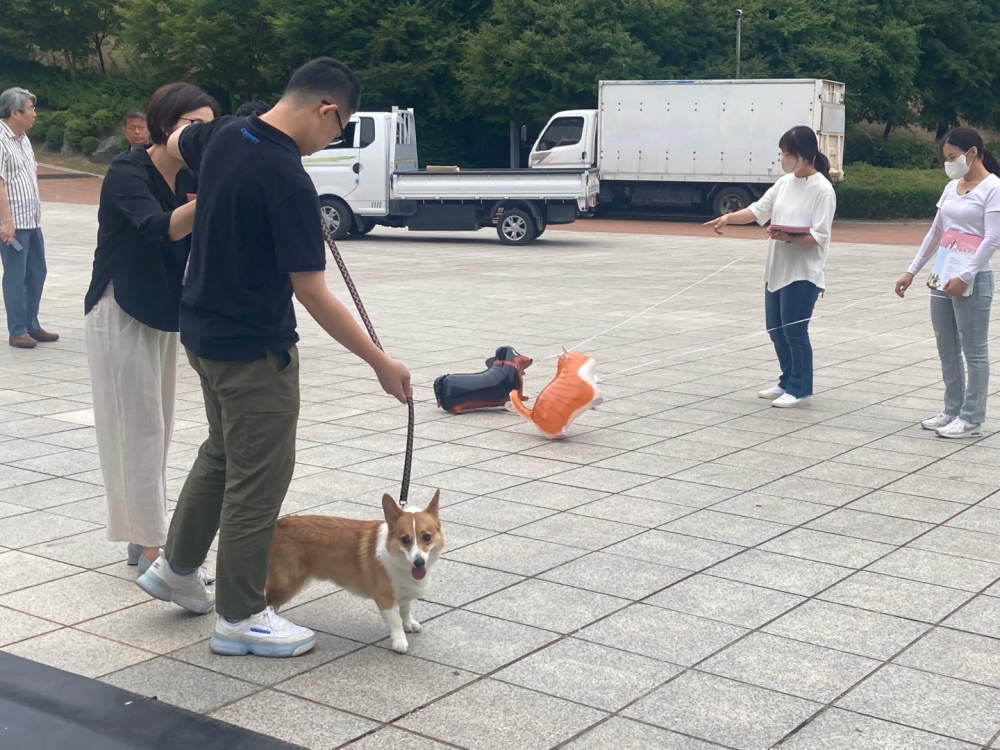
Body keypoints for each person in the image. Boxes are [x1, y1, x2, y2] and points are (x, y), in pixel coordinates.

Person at [135, 57, 411, 658]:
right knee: (257, 484)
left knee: (222, 454)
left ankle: (177, 568)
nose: (327, 144)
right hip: (255, 351)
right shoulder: (287, 178)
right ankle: (240, 617)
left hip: (203, 334)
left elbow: (177, 136)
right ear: (327, 109)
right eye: (337, 132)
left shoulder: (231, 132)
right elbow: (312, 291)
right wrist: (379, 362)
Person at [85, 83, 219, 574]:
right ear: (166, 125)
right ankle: (151, 548)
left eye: (208, 127)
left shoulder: (193, 172)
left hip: (163, 311)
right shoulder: (128, 170)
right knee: (136, 431)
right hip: (118, 309)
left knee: (157, 431)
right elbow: (156, 226)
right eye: (191, 126)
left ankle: (142, 537)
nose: (199, 136)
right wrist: (214, 195)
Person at [705, 125, 836, 408]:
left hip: (803, 273)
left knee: (795, 331)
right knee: (775, 329)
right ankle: (787, 380)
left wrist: (788, 236)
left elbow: (819, 237)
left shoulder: (823, 190)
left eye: (788, 154)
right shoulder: (784, 183)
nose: (783, 159)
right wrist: (728, 218)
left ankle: (801, 387)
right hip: (777, 269)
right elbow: (757, 210)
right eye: (782, 153)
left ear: (805, 155)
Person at [895, 127, 1000, 439]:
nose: (949, 163)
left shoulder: (993, 188)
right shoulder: (952, 187)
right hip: (943, 274)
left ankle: (971, 417)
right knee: (947, 344)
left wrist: (966, 276)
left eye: (953, 157)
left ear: (972, 153)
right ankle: (952, 408)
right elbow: (936, 232)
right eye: (946, 159)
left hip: (973, 278)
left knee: (974, 349)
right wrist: (912, 271)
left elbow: (993, 238)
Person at [0, 87, 57, 349]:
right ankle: (18, 330)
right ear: (15, 112)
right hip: (13, 223)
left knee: (37, 271)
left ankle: (32, 324)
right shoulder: (1, 139)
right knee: (15, 274)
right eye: (31, 109)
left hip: (32, 219)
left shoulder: (22, 138)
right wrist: (7, 221)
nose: (34, 114)